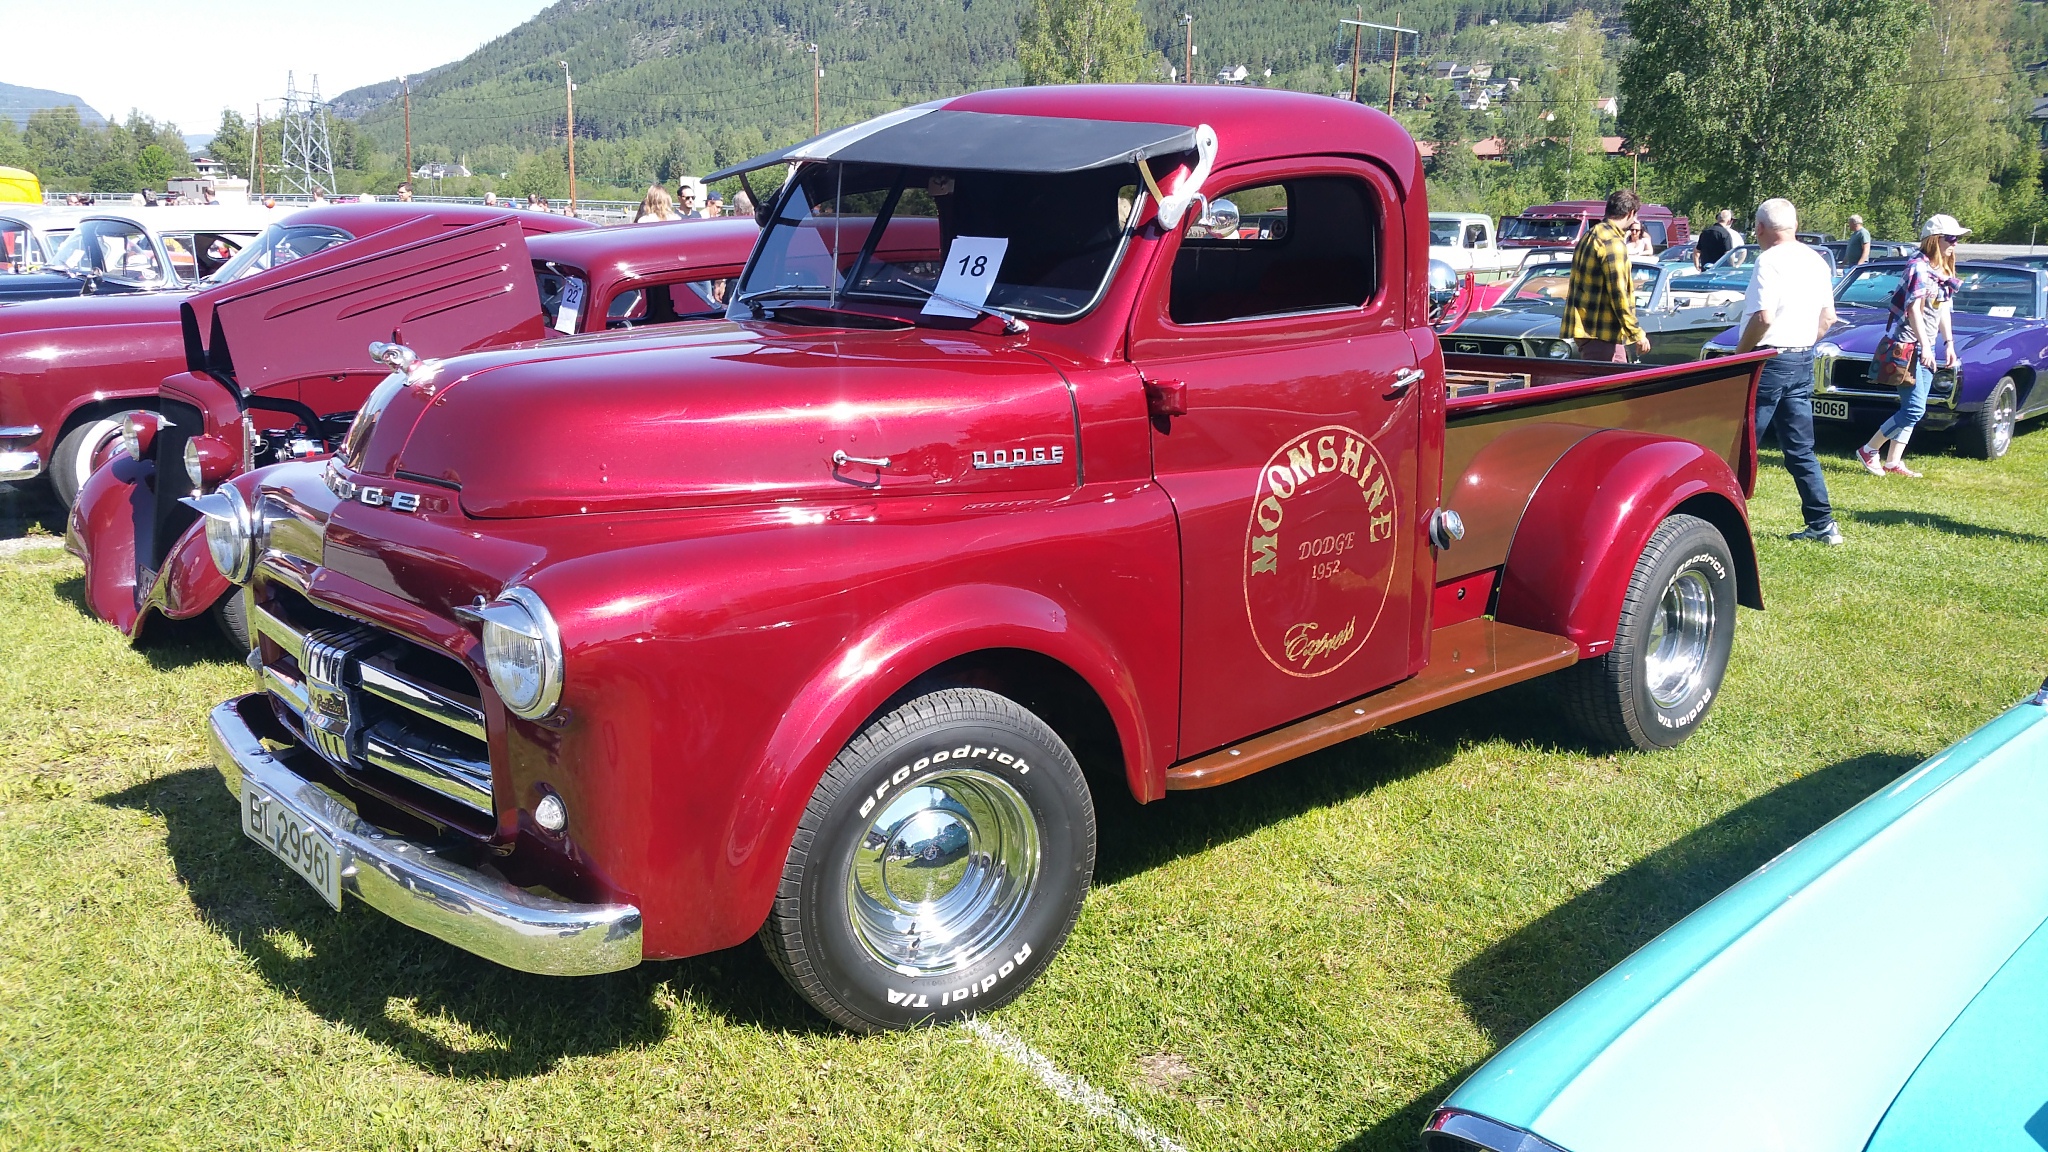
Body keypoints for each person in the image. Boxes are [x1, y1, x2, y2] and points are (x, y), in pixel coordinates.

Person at [1734, 197, 1842, 545]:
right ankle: (1823, 524)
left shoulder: (1768, 260)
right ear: (1795, 226)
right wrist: (1803, 341)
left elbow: (1763, 317)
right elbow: (1827, 318)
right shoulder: (1817, 260)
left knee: (1741, 445)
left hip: (1768, 360)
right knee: (1800, 449)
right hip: (1802, 358)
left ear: (1760, 228)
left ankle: (1724, 520)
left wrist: (1740, 355)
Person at [1857, 215, 1964, 478]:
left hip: (1925, 346)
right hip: (1908, 346)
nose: (1955, 244)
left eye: (1957, 239)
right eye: (1951, 238)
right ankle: (1869, 449)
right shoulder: (1918, 267)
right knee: (1914, 409)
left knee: (1915, 408)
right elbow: (1914, 309)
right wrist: (1925, 346)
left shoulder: (1942, 271)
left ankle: (1893, 461)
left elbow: (1943, 311)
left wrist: (1949, 344)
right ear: (1934, 240)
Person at [1562, 189, 1653, 364]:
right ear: (1630, 213)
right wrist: (1636, 333)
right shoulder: (1613, 243)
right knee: (1614, 381)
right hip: (1600, 333)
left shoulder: (1591, 234)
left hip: (1588, 330)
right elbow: (1619, 293)